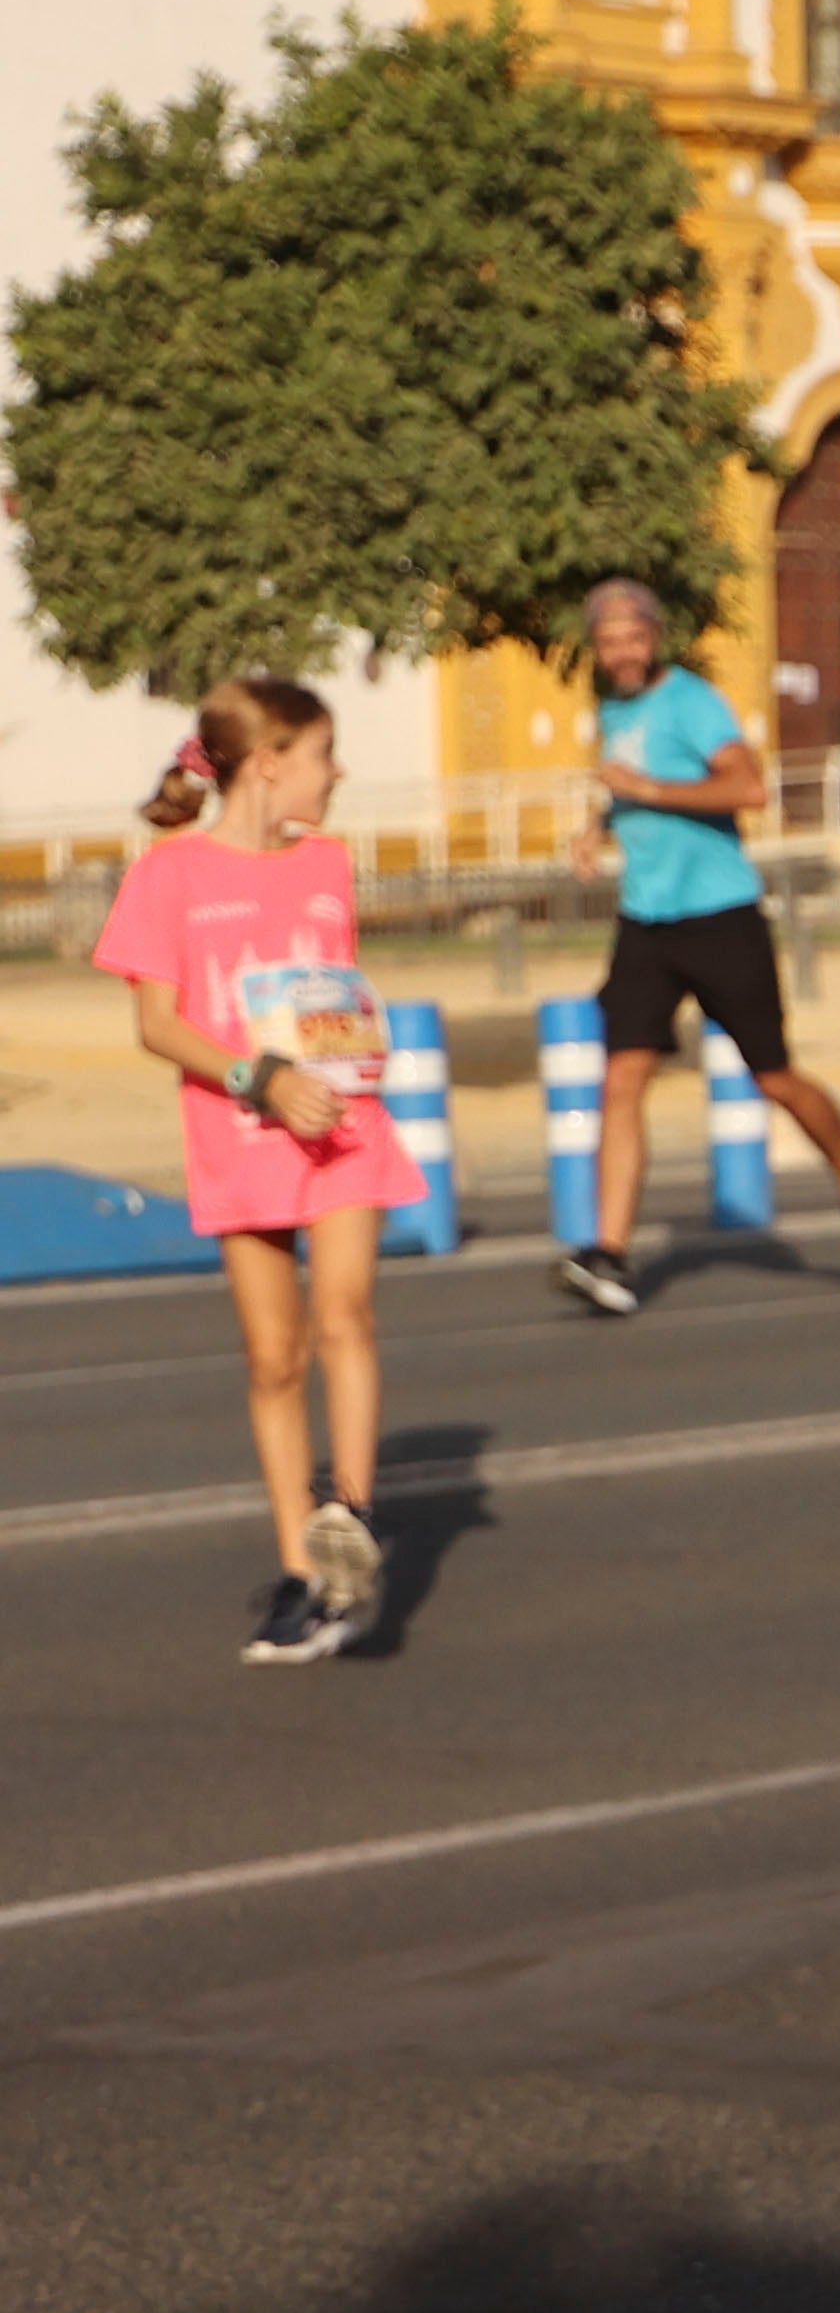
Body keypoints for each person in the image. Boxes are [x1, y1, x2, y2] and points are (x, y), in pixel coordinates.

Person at [95, 678, 428, 1664]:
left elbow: (334, 992)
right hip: (240, 1131)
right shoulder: (169, 874)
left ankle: (347, 1532)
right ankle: (298, 1567)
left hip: (344, 1131)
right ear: (269, 760)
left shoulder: (329, 863)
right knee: (274, 1360)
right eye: (325, 755)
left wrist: (357, 1053)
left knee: (344, 1318)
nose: (338, 775)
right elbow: (158, 1024)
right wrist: (260, 1077)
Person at [560, 577, 840, 1313]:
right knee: (622, 1081)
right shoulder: (613, 708)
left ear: (654, 637)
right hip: (646, 920)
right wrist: (600, 825)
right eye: (608, 642)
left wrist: (642, 790)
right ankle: (610, 1254)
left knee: (774, 1078)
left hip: (721, 915)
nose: (621, 652)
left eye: (632, 638)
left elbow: (747, 790)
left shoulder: (692, 701)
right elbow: (630, 787)